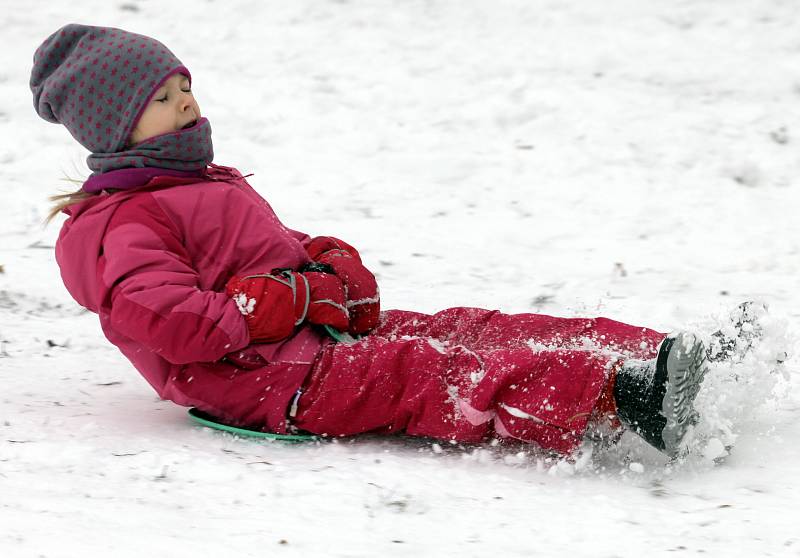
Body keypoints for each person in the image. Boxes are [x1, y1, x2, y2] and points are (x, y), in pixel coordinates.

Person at [31, 23, 708, 459]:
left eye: (185, 85)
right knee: (429, 369)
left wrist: (325, 258)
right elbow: (171, 321)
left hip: (313, 343)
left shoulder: (196, 184)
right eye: (161, 97)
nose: (185, 102)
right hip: (268, 382)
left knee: (469, 328)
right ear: (115, 125)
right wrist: (288, 298)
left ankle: (652, 354)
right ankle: (623, 395)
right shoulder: (116, 225)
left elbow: (265, 248)